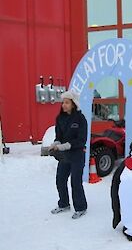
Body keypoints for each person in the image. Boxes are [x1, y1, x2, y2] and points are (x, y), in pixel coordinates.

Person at [49, 90, 88, 219]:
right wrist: (56, 143)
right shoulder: (60, 118)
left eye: (67, 103)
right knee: (60, 180)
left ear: (73, 104)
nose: (64, 105)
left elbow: (82, 140)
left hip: (77, 154)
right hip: (64, 156)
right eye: (63, 103)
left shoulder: (80, 119)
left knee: (75, 182)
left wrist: (66, 145)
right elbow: (58, 136)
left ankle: (81, 207)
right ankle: (64, 204)